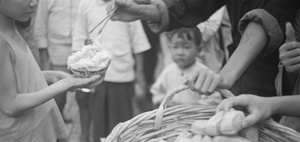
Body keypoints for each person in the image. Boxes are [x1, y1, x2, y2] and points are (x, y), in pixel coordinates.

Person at [0, 0, 104, 142]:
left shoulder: (13, 30)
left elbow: (20, 76)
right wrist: (63, 85)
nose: (34, 3)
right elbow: (10, 104)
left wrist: (54, 76)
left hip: (41, 139)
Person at [109, 0, 300, 102]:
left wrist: (225, 75)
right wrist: (143, 11)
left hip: (280, 76)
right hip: (236, 71)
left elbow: (267, 16)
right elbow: (195, 4)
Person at [73, 0, 151, 142]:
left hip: (122, 76)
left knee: (121, 123)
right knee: (99, 121)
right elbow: (79, 37)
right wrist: (81, 73)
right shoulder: (85, 5)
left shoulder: (127, 5)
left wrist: (140, 76)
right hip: (96, 77)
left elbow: (138, 42)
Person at [151, 27, 222, 107]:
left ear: (199, 49)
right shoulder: (168, 71)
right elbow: (157, 92)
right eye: (175, 47)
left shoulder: (203, 72)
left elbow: (213, 98)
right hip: (171, 116)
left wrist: (195, 108)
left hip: (197, 116)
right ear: (169, 48)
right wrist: (165, 102)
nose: (180, 52)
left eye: (186, 47)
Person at [34, 0, 81, 118]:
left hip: (81, 48)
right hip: (57, 49)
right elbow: (40, 24)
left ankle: (83, 133)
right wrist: (44, 60)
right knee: (59, 91)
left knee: (83, 93)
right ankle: (58, 124)